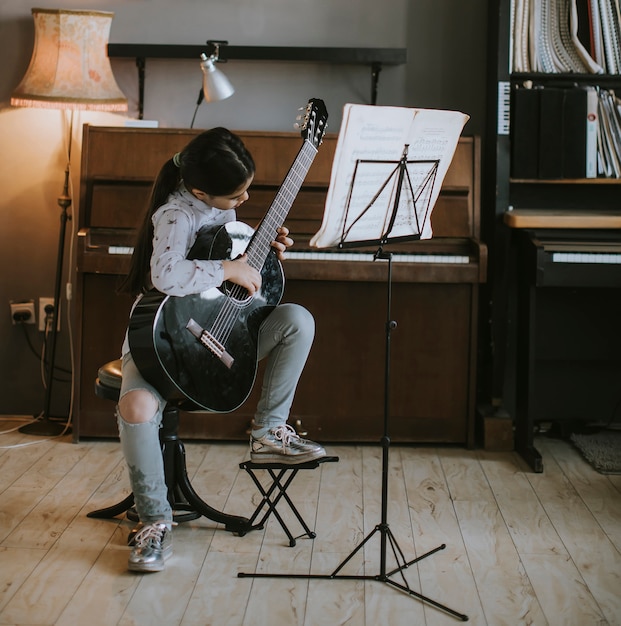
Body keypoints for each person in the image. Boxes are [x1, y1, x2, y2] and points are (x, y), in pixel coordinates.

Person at [117, 127, 325, 573]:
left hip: (223, 336)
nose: (244, 201)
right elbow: (168, 275)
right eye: (236, 196)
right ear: (199, 190)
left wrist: (265, 253)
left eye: (248, 190)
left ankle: (269, 432)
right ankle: (154, 521)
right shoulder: (176, 215)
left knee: (297, 321)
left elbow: (248, 277)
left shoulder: (223, 209)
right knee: (136, 407)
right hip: (163, 340)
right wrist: (227, 267)